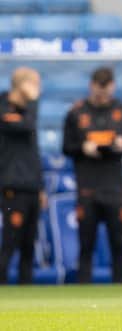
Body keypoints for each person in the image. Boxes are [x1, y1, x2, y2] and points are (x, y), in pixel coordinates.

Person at [63, 67, 122, 283]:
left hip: (115, 188)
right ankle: (84, 292)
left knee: (118, 244)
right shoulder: (76, 113)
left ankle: (120, 293)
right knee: (86, 245)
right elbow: (66, 147)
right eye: (98, 92)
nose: (102, 96)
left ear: (113, 87)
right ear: (92, 86)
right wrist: (82, 148)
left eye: (106, 92)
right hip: (87, 187)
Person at [0, 67, 45, 284]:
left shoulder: (28, 112)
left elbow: (33, 154)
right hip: (12, 187)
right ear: (22, 85)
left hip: (32, 188)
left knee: (29, 244)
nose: (38, 89)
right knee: (10, 241)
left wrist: (41, 187)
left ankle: (26, 291)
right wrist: (34, 102)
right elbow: (26, 127)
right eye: (35, 83)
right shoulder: (3, 107)